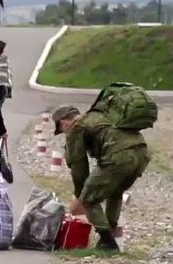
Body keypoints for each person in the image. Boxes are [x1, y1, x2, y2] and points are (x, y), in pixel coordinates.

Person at [52, 105, 151, 251]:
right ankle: (108, 240)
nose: (64, 132)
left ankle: (108, 243)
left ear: (64, 122)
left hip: (119, 157)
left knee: (89, 199)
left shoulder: (76, 128)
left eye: (61, 129)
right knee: (115, 192)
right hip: (142, 154)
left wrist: (80, 194)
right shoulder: (100, 116)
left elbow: (78, 164)